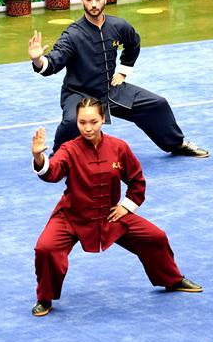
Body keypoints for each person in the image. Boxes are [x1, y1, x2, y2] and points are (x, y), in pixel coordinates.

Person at [30, 97, 203, 317]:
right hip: (72, 216)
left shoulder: (119, 147)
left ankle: (172, 280)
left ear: (103, 119)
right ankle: (44, 298)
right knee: (45, 248)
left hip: (110, 215)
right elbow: (52, 172)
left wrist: (127, 207)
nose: (88, 128)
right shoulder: (68, 149)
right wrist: (38, 157)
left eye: (93, 121)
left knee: (155, 237)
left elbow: (137, 181)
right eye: (82, 122)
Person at [28, 0, 208, 158]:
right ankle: (58, 159)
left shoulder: (118, 26)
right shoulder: (72, 34)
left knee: (157, 104)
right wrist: (38, 59)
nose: (94, 4)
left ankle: (177, 144)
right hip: (79, 93)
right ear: (81, 0)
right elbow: (54, 61)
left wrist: (123, 71)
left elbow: (133, 43)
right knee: (72, 122)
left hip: (111, 89)